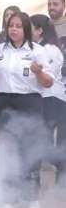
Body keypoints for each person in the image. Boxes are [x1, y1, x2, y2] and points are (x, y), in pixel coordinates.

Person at [0, 12, 54, 208]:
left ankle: (32, 196)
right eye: (11, 26)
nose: (14, 29)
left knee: (29, 151)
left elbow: (49, 82)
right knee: (8, 151)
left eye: (18, 26)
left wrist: (38, 72)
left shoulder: (37, 51)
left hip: (29, 102)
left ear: (26, 29)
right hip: (3, 102)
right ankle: (10, 197)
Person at [30, 14, 66, 187]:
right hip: (45, 98)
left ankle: (62, 166)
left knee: (43, 144)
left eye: (29, 28)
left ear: (39, 30)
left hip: (53, 99)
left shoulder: (49, 50)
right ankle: (35, 183)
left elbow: (45, 77)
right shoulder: (38, 47)